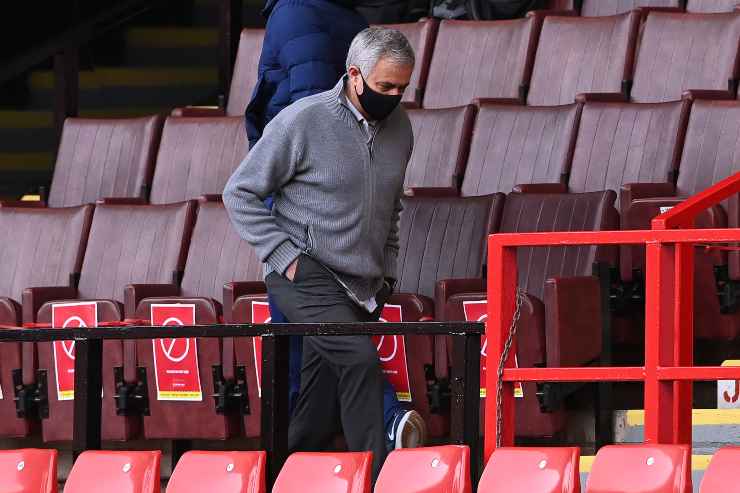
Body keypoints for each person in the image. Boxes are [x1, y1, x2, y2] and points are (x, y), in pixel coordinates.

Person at [225, 27, 416, 478]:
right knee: (359, 361)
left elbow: (392, 206)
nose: (394, 96)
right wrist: (285, 257)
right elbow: (240, 193)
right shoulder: (302, 120)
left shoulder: (401, 127)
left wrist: (387, 272)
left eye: (402, 87)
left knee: (319, 389)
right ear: (354, 75)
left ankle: (287, 477)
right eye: (385, 86)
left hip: (364, 282)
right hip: (305, 274)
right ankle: (379, 477)